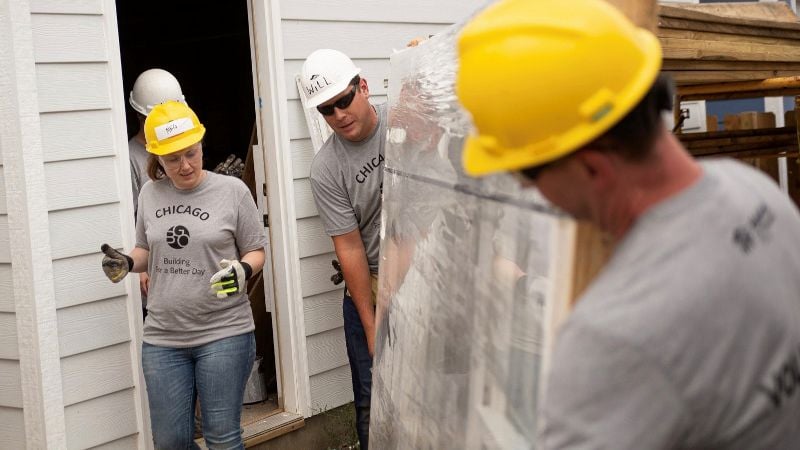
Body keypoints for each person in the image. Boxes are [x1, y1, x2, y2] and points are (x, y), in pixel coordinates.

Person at [456, 0, 800, 448]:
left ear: (593, 168)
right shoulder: (755, 191)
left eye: (529, 174)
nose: (526, 191)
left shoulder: (611, 337)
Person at [100, 100, 266, 450]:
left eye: (191, 153)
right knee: (171, 441)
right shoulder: (150, 194)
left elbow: (257, 250)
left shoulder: (232, 192)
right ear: (157, 158)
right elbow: (147, 249)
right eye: (172, 159)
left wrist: (243, 269)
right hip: (163, 338)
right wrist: (128, 262)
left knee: (221, 437)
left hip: (224, 331)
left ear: (201, 144)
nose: (185, 165)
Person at [300, 48, 386, 450]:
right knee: (373, 402)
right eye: (326, 110)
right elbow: (349, 247)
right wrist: (371, 325)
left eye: (344, 101)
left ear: (363, 87)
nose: (338, 115)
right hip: (372, 283)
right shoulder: (327, 169)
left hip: (428, 271)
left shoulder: (405, 121)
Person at [128, 68, 187, 315]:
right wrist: (141, 269)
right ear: (142, 117)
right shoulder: (132, 157)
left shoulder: (181, 151)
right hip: (154, 272)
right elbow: (132, 217)